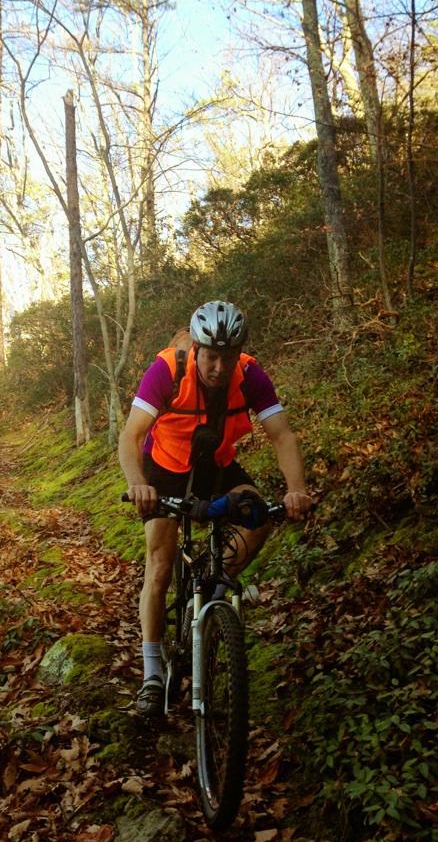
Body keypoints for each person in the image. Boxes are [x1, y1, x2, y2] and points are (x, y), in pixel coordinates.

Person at [119, 300, 313, 716]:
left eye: (228, 358)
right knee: (160, 564)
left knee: (258, 516)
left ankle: (213, 587)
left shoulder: (250, 375)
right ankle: (153, 673)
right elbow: (131, 435)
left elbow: (282, 436)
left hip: (217, 462)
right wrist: (138, 484)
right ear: (196, 347)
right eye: (211, 357)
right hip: (166, 468)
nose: (219, 367)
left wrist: (296, 489)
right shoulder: (168, 370)